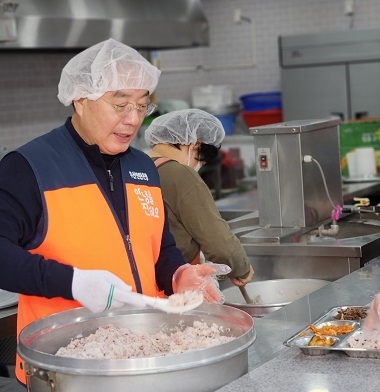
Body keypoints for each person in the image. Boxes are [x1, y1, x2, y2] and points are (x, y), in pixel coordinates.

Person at [0, 39, 226, 388]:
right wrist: (73, 282)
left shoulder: (143, 167)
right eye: (120, 105)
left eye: (141, 105)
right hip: (67, 365)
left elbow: (159, 248)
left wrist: (178, 275)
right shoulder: (29, 168)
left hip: (146, 355)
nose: (133, 119)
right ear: (81, 98)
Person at [144, 109, 254, 287]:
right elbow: (219, 244)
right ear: (195, 144)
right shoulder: (181, 175)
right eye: (200, 161)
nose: (198, 167)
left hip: (143, 282)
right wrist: (242, 268)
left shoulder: (135, 165)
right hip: (177, 286)